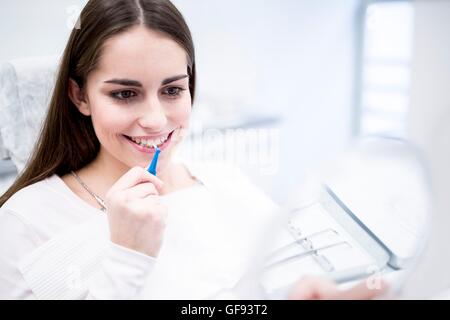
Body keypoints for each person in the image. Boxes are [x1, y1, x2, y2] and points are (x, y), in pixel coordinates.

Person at [0, 0, 381, 300]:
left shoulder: (225, 183)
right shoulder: (24, 221)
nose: (155, 118)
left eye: (172, 90)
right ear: (80, 95)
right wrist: (127, 258)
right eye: (125, 93)